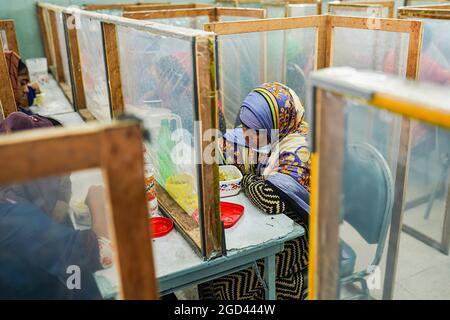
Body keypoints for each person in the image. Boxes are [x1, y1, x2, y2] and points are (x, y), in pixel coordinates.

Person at [200, 82, 310, 300]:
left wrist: (247, 177)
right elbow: (220, 148)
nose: (246, 134)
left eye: (254, 129)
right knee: (210, 272)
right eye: (243, 125)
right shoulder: (275, 138)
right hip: (274, 229)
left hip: (301, 239)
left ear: (275, 124)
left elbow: (271, 200)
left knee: (228, 283)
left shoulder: (298, 149)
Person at [0, 112, 111, 299]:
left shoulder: (13, 188)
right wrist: (97, 203)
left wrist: (60, 201)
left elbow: (62, 185)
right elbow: (98, 256)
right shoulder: (16, 216)